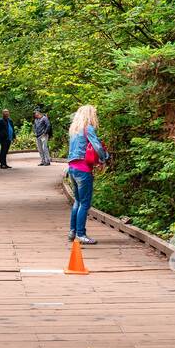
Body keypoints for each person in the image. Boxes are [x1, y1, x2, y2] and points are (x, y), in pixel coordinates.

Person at [66, 104, 108, 244]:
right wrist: (104, 158)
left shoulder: (74, 130)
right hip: (83, 170)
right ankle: (81, 234)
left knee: (77, 201)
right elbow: (97, 146)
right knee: (84, 203)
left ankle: (72, 231)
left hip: (72, 169)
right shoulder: (87, 128)